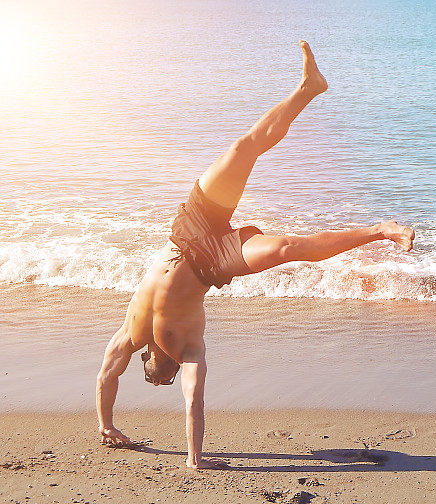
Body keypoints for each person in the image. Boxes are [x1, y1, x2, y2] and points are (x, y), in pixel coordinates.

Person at [95, 41, 415, 469]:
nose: (169, 367)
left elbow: (106, 376)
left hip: (189, 229)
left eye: (162, 371)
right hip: (216, 261)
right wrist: (194, 460)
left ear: (148, 359)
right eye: (171, 372)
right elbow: (194, 400)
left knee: (243, 148)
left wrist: (106, 424)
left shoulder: (130, 334)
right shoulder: (188, 349)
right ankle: (380, 230)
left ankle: (308, 88)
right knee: (288, 248)